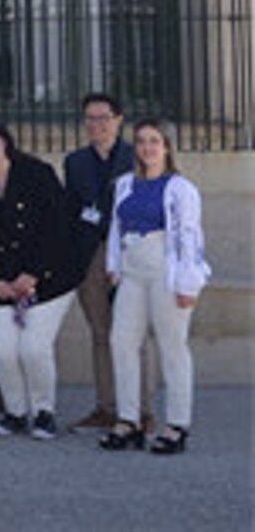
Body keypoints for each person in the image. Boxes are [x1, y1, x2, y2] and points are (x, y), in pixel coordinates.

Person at [0, 120, 77, 440]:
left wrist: (33, 274)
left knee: (33, 348)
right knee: (1, 351)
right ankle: (14, 412)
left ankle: (43, 412)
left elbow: (57, 227)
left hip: (47, 280)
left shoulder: (37, 174)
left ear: (4, 140)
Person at [100, 119, 210, 456]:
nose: (147, 148)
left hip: (166, 272)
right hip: (133, 272)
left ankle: (177, 425)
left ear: (167, 147)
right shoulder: (124, 184)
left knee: (172, 347)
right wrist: (113, 266)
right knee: (122, 342)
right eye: (142, 141)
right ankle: (128, 419)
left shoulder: (180, 188)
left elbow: (190, 238)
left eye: (155, 141)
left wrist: (188, 283)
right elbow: (116, 229)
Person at [64, 92, 149, 433]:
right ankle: (106, 407)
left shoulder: (136, 156)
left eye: (102, 118)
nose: (95, 125)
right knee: (100, 333)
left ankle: (141, 410)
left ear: (118, 120)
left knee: (133, 334)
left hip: (131, 252)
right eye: (89, 118)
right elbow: (71, 210)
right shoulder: (75, 162)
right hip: (90, 254)